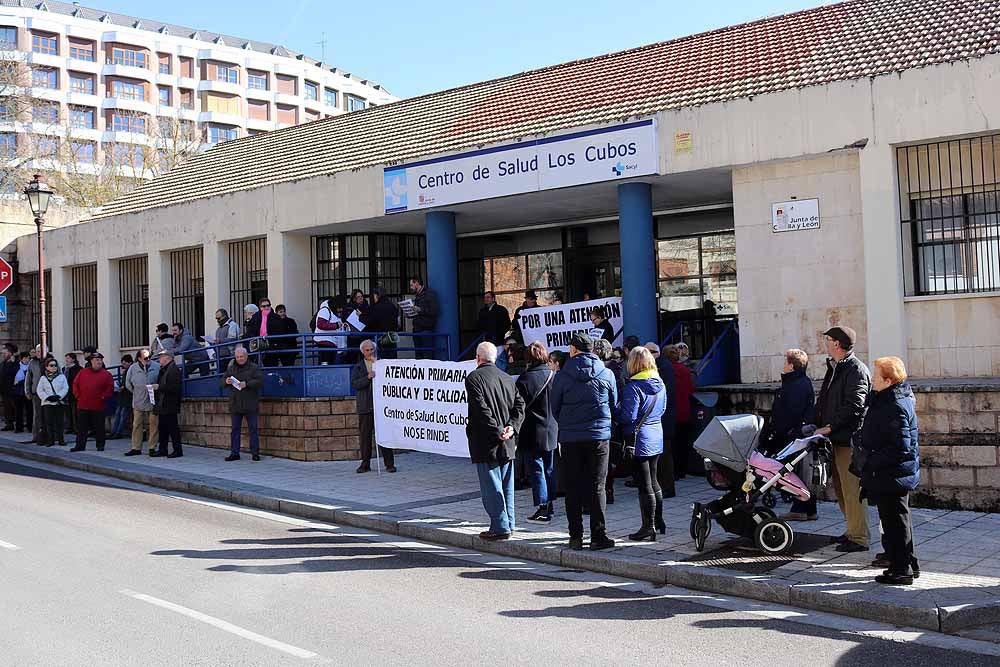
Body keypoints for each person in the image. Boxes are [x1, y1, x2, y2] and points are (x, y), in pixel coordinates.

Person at [550, 333, 619, 551]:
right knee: (597, 486)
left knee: (573, 486)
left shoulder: (561, 376)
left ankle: (575, 536)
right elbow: (614, 403)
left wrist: (568, 423)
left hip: (570, 438)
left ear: (573, 350)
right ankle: (598, 536)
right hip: (598, 437)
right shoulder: (606, 373)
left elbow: (555, 407)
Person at [858, 356, 920, 585]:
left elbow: (900, 446)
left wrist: (871, 460)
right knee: (898, 520)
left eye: (876, 375)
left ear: (888, 379)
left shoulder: (894, 404)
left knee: (895, 522)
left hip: (892, 474)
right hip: (891, 473)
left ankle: (901, 569)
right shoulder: (887, 398)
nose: (872, 379)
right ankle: (909, 564)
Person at [809, 326, 872, 553]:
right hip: (835, 439)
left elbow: (855, 405)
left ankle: (859, 537)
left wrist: (829, 427)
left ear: (836, 343)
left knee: (852, 489)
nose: (825, 343)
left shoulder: (856, 369)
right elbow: (826, 399)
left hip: (849, 440)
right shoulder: (835, 367)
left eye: (828, 340)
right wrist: (816, 423)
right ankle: (851, 531)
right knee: (841, 488)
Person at [465, 341, 525, 540]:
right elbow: (520, 405)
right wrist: (512, 427)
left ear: (478, 358)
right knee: (506, 485)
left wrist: (498, 430)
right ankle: (509, 523)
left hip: (487, 441)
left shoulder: (474, 378)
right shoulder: (507, 378)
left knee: (492, 487)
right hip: (506, 440)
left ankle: (500, 526)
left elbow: (481, 409)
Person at [616, 346, 667, 541]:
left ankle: (648, 527)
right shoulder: (660, 383)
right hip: (656, 433)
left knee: (644, 484)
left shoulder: (633, 387)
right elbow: (662, 409)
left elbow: (629, 416)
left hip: (639, 438)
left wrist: (615, 410)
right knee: (654, 480)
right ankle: (659, 521)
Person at [762, 349, 819, 521]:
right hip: (795, 433)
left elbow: (789, 414)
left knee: (790, 472)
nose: (784, 366)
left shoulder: (794, 385)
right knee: (799, 471)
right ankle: (809, 509)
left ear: (792, 365)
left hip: (790, 435)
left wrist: (777, 433)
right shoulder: (801, 382)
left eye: (786, 363)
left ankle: (800, 508)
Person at [517, 341, 557, 522]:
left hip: (532, 430)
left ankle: (543, 507)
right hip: (552, 428)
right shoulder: (554, 375)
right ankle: (550, 504)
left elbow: (517, 407)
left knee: (537, 470)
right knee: (549, 469)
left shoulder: (525, 379)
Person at [351, 339, 396, 473]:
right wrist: (367, 378)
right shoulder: (358, 367)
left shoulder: (381, 364)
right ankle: (365, 463)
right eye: (367, 350)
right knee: (365, 437)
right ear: (363, 352)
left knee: (384, 435)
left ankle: (389, 464)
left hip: (380, 406)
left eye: (371, 349)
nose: (370, 352)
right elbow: (355, 384)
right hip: (365, 405)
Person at [221, 346, 264, 462]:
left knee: (253, 429)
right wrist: (226, 381)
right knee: (235, 430)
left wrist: (247, 384)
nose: (239, 359)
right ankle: (235, 453)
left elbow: (260, 381)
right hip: (235, 404)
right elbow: (222, 380)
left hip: (250, 403)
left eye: (241, 357)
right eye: (237, 357)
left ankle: (255, 453)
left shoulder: (254, 368)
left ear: (246, 356)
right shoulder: (231, 368)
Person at [70, 352, 113, 452]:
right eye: (96, 360)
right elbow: (75, 384)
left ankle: (100, 445)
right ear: (91, 361)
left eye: (100, 360)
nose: (99, 362)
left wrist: (103, 397)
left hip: (98, 405)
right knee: (82, 428)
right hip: (83, 404)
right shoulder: (83, 372)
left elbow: (109, 388)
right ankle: (80, 445)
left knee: (99, 427)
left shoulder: (106, 374)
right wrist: (78, 396)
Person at [664, 344, 694, 479]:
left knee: (672, 444)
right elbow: (690, 390)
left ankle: (674, 471)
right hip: (685, 410)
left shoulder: (665, 371)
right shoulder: (685, 370)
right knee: (683, 442)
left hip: (671, 411)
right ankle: (682, 470)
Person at [124, 349, 159, 456]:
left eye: (149, 357)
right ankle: (136, 448)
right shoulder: (133, 368)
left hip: (153, 400)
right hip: (138, 400)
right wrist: (136, 392)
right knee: (137, 424)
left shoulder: (156, 366)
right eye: (145, 358)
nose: (148, 360)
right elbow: (128, 383)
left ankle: (152, 447)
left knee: (154, 425)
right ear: (139, 358)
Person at [153, 349, 184, 458]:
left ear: (168, 358)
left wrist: (159, 387)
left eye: (162, 356)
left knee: (173, 428)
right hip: (163, 404)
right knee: (162, 428)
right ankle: (163, 449)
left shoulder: (174, 370)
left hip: (170, 404)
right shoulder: (164, 370)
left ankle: (177, 450)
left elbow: (175, 388)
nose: (159, 359)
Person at [36, 356, 68, 447]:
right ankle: (51, 440)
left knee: (60, 422)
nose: (54, 367)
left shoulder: (61, 377)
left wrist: (59, 396)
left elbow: (65, 387)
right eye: (51, 365)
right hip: (47, 403)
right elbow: (40, 390)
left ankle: (61, 440)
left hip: (58, 402)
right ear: (46, 367)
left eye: (55, 365)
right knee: (49, 423)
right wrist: (47, 397)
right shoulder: (43, 378)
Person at [407, 276, 439, 359]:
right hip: (417, 329)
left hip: (426, 329)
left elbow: (433, 311)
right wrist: (411, 313)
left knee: (427, 356)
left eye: (411, 285)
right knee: (419, 356)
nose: (410, 288)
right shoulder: (418, 295)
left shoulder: (429, 294)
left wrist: (420, 310)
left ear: (417, 283)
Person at [245, 297, 281, 367]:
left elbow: (280, 331)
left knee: (271, 367)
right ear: (260, 307)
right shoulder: (255, 317)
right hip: (257, 347)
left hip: (271, 346)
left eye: (268, 305)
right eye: (264, 306)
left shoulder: (276, 317)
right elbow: (250, 331)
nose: (266, 307)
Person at [367, 287, 400, 359]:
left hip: (380, 338)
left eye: (374, 296)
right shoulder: (392, 306)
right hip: (391, 338)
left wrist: (361, 316)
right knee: (391, 361)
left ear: (377, 295)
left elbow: (370, 321)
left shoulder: (376, 308)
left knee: (380, 362)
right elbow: (397, 323)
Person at [312, 297, 343, 364]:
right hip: (324, 341)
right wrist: (336, 325)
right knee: (325, 362)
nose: (340, 309)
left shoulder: (332, 312)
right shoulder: (325, 310)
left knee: (330, 362)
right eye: (339, 307)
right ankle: (325, 372)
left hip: (331, 341)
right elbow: (320, 324)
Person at [342, 290, 369, 365]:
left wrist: (362, 315)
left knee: (364, 357)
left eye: (361, 296)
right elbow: (344, 320)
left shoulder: (366, 306)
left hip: (364, 335)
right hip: (352, 336)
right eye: (358, 297)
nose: (361, 299)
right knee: (352, 357)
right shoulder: (348, 307)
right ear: (354, 298)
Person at [110, 354, 134, 439]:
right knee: (118, 413)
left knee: (123, 415)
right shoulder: (126, 371)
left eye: (124, 363)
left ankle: (118, 432)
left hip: (127, 397)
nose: (123, 365)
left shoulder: (131, 371)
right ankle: (114, 431)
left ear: (129, 363)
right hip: (123, 396)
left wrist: (123, 388)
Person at [25, 345, 46, 444]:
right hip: (36, 393)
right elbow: (28, 378)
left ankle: (50, 435)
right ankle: (36, 436)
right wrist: (28, 391)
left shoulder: (51, 361)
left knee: (48, 415)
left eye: (40, 351)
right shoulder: (32, 363)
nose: (38, 353)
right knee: (37, 415)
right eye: (37, 351)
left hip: (48, 394)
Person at [12, 351, 31, 434]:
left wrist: (19, 382)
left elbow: (29, 380)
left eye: (28, 358)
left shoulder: (30, 367)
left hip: (27, 391)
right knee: (18, 410)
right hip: (18, 392)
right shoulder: (16, 366)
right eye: (26, 358)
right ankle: (19, 427)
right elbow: (12, 378)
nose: (28, 360)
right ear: (22, 358)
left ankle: (29, 426)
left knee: (29, 410)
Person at [0, 343, 17, 431]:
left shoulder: (15, 363)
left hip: (12, 390)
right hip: (4, 390)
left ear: (10, 352)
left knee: (14, 407)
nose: (3, 353)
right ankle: (9, 424)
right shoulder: (3, 363)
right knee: (7, 408)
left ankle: (17, 424)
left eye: (5, 351)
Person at [63, 352, 81, 434]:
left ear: (73, 359)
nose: (66, 360)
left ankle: (76, 428)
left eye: (68, 358)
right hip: (65, 393)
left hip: (73, 392)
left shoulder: (78, 369)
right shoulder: (64, 369)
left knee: (75, 412)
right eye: (66, 358)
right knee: (67, 411)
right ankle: (69, 427)